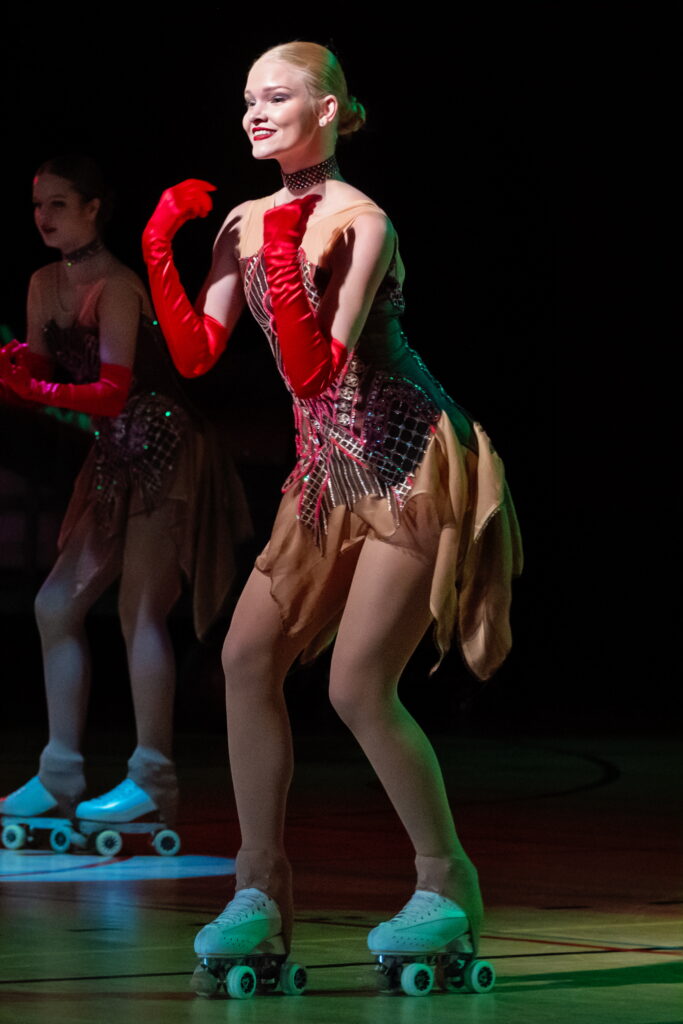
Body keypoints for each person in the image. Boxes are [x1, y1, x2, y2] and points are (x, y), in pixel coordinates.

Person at [142, 41, 522, 975]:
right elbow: (196, 356)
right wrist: (159, 246)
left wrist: (283, 257)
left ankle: (445, 882)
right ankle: (258, 888)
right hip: (326, 472)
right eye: (246, 98)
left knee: (356, 683)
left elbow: (319, 370)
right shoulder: (245, 220)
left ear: (328, 110)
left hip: (408, 463)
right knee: (245, 657)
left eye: (276, 96)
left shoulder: (362, 221)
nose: (253, 112)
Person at [0, 155, 251, 837]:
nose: (44, 217)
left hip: (168, 450)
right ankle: (59, 771)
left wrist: (34, 387)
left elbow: (111, 391)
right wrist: (17, 377)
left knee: (141, 609)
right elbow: (42, 375)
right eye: (37, 205)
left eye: (59, 204)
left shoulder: (115, 284)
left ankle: (152, 777)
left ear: (93, 209)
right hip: (116, 455)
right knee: (56, 604)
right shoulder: (43, 283)